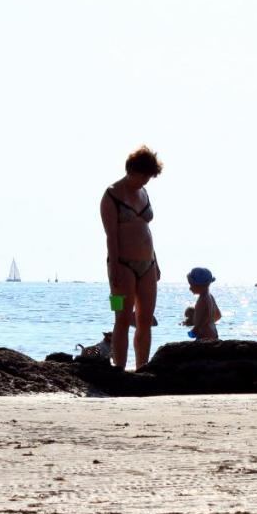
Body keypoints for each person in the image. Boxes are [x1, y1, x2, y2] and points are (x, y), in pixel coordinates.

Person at [100, 146, 163, 368]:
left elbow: (146, 230)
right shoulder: (111, 194)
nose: (147, 180)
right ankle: (119, 369)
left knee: (145, 320)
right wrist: (115, 268)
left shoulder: (144, 193)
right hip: (121, 264)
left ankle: (142, 369)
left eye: (150, 176)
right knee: (122, 319)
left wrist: (156, 262)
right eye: (144, 175)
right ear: (132, 170)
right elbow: (111, 236)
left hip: (148, 264)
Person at [187, 267, 222, 340]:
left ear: (199, 285)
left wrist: (196, 328)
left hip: (204, 335)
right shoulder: (210, 297)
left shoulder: (203, 299)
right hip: (212, 332)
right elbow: (218, 315)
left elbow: (206, 314)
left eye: (191, 285)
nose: (190, 288)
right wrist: (210, 323)